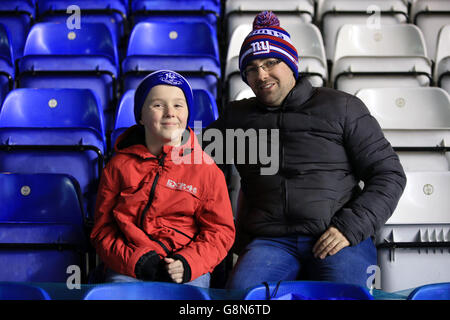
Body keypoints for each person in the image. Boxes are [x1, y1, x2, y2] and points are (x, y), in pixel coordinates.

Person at [204, 11, 407, 289]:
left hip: (337, 235)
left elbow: (388, 174)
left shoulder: (342, 107)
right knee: (242, 301)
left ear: (291, 63)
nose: (261, 75)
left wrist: (349, 227)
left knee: (345, 298)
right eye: (251, 68)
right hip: (270, 242)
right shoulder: (237, 117)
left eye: (271, 62)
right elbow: (189, 157)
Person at [90, 70, 235, 287]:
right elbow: (103, 230)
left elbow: (220, 232)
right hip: (129, 265)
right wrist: (135, 260)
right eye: (158, 105)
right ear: (140, 115)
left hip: (185, 270)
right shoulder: (118, 166)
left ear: (188, 114)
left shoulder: (207, 170)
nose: (170, 113)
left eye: (178, 105)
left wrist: (187, 263)